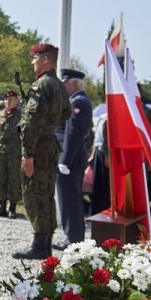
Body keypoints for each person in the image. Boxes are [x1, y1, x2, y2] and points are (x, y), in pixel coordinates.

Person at [13, 43, 70, 259]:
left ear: (45, 60)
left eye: (35, 58)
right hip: (49, 144)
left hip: (37, 147)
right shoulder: (58, 85)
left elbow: (31, 121)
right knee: (46, 194)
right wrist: (49, 123)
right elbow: (66, 112)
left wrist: (27, 153)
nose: (32, 62)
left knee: (33, 193)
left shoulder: (42, 85)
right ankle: (45, 244)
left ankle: (39, 245)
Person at [54, 69, 93, 249]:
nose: (63, 87)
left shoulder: (77, 102)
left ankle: (73, 239)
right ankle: (74, 237)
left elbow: (73, 133)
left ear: (75, 84)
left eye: (65, 83)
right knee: (69, 199)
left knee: (70, 200)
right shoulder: (76, 100)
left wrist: (64, 160)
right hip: (71, 157)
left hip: (70, 159)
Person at [0, 90, 22, 219]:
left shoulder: (21, 116)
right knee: (0, 178)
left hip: (15, 152)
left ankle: (12, 208)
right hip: (1, 151)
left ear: (16, 101)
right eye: (6, 99)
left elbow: (25, 136)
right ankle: (1, 206)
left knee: (14, 180)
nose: (8, 101)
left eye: (11, 99)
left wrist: (24, 154)